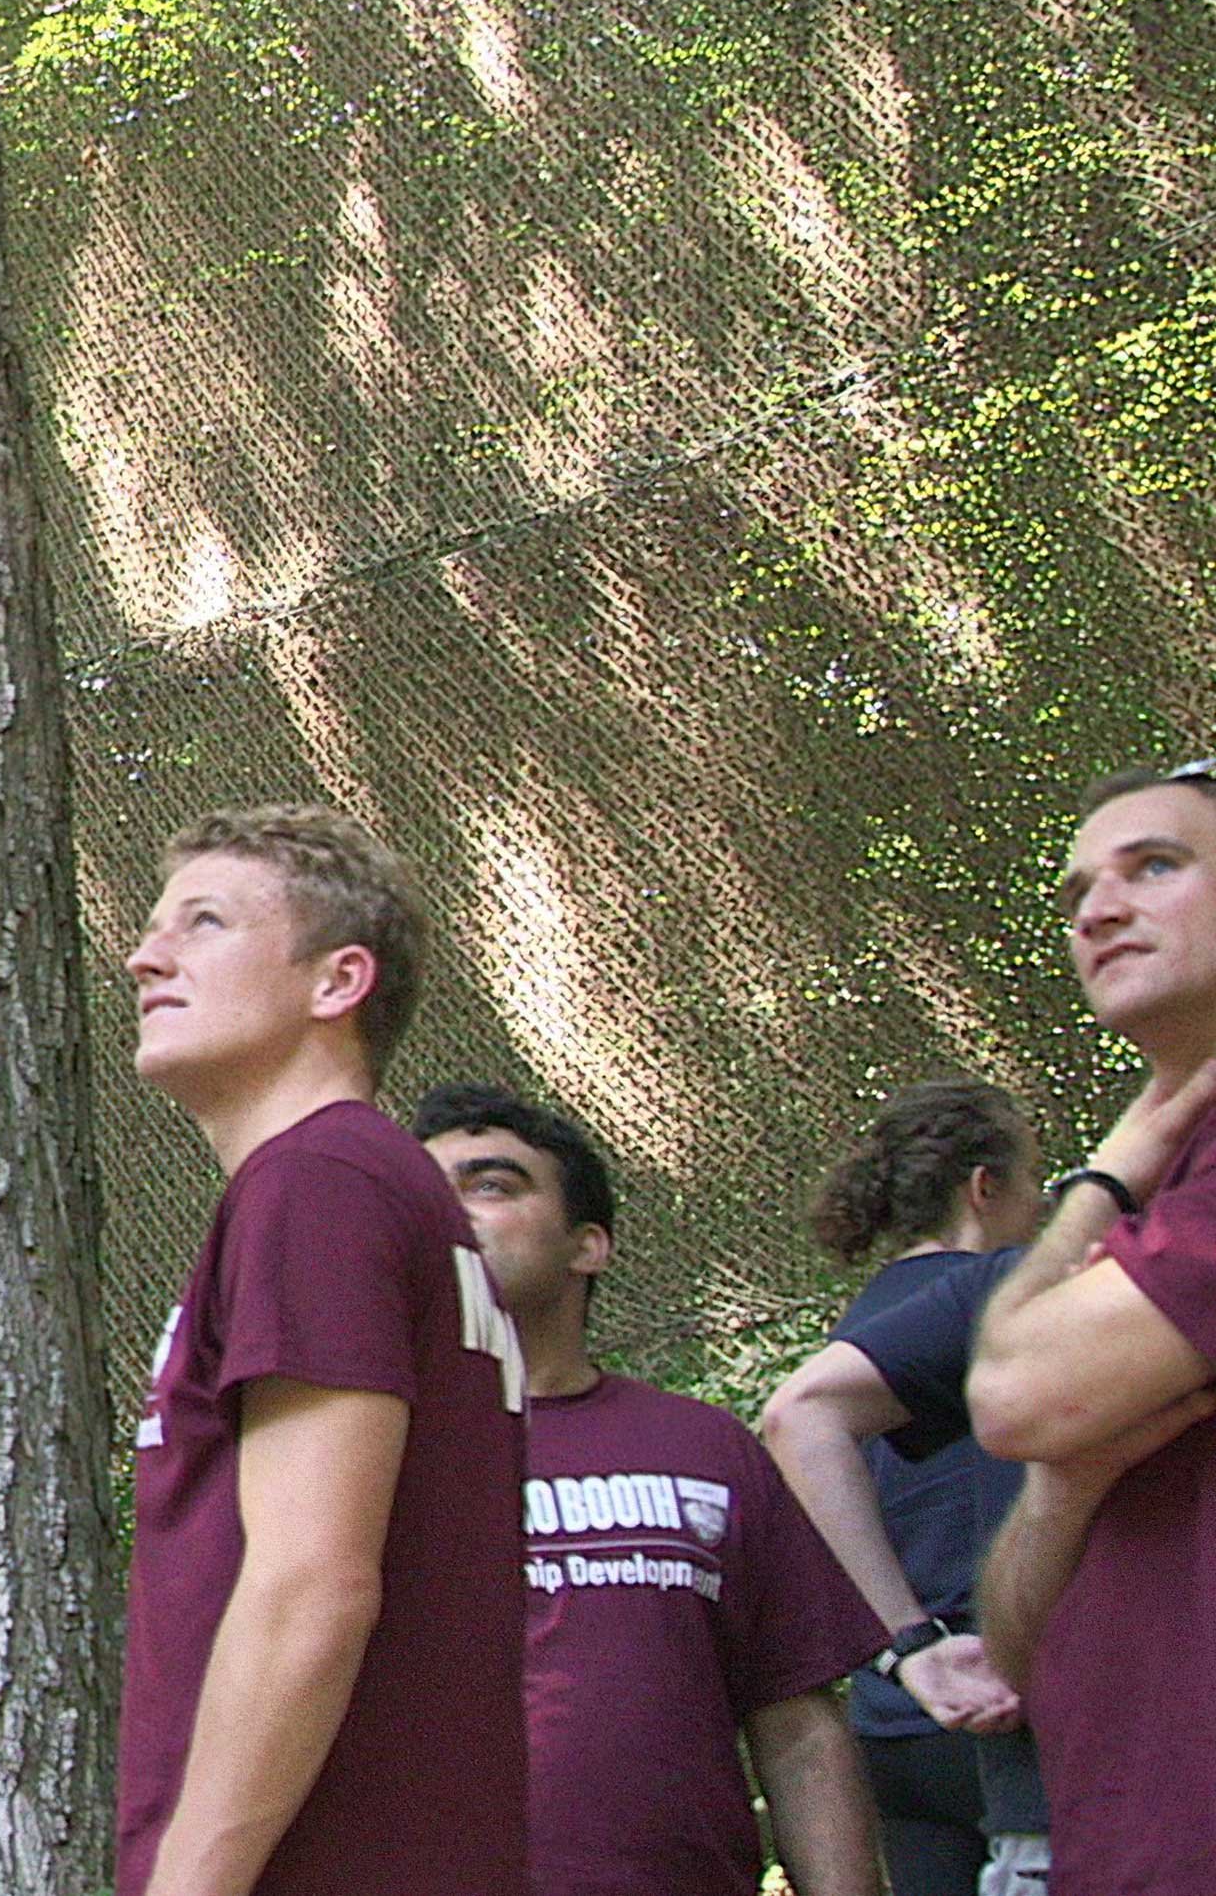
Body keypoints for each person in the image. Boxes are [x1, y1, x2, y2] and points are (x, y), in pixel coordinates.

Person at [115, 803, 529, 1896]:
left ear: (335, 981)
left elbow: (311, 1582)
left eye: (201, 922)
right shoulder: (365, 1185)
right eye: (155, 927)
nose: (142, 954)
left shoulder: (318, 1183)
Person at [409, 1084, 884, 1896]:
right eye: (424, 1195)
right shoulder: (354, 1458)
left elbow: (798, 1723)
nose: (452, 1213)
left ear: (587, 1245)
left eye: (492, 1184)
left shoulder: (705, 1447)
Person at [962, 758, 1216, 1896]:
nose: (1094, 910)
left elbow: (1007, 1396)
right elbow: (1024, 1650)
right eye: (1073, 895)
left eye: (1151, 867)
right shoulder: (1166, 1191)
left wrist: (1093, 1179)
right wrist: (1065, 1490)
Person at [754, 1081, 1052, 1896]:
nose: (1040, 1209)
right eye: (1033, 1184)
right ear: (983, 1186)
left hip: (890, 1723)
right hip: (995, 1703)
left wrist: (900, 1644)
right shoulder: (1003, 1303)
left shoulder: (855, 1332)